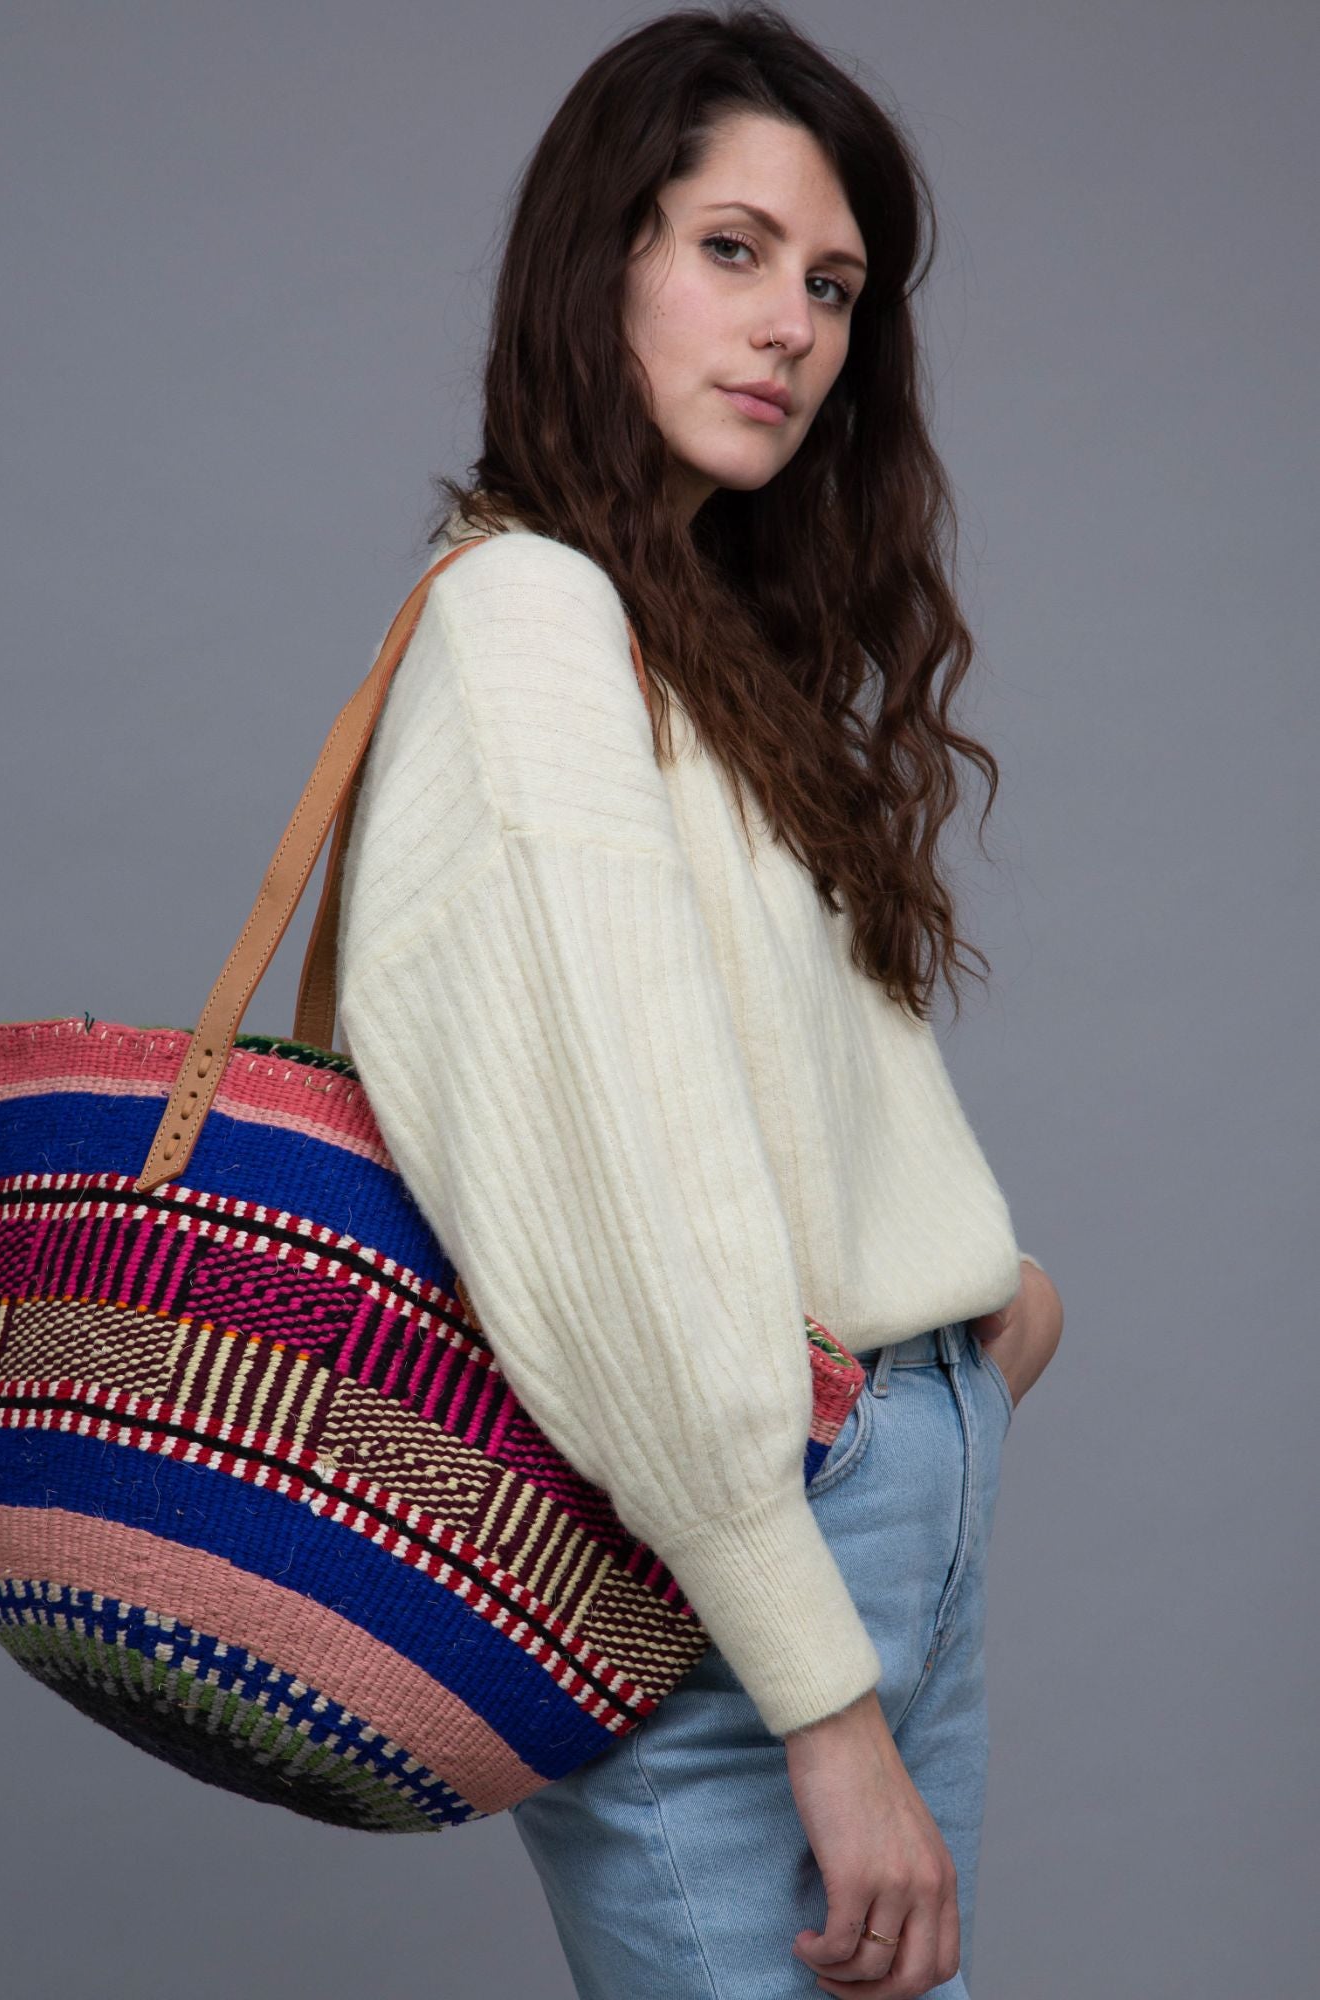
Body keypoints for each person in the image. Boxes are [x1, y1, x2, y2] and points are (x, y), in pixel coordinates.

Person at [334, 6, 1064, 1995]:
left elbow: (774, 1078)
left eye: (830, 285)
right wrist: (823, 1702)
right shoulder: (530, 619)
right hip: (740, 1570)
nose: (792, 328)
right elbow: (620, 1196)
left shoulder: (690, 639)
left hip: (867, 1505)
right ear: (603, 265)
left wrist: (978, 1299)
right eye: (733, 249)